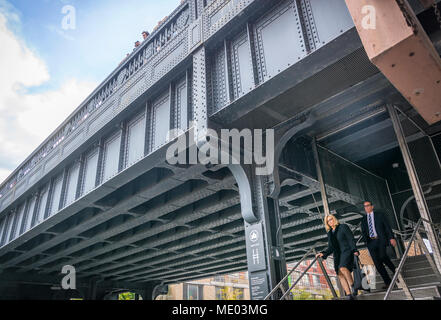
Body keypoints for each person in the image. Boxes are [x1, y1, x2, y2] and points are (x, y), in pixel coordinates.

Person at [317, 214, 359, 300]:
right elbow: (331, 247)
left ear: (334, 219)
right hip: (337, 255)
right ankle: (348, 294)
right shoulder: (330, 233)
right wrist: (323, 253)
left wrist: (354, 250)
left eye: (331, 219)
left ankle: (353, 286)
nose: (330, 222)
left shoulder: (343, 227)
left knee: (343, 267)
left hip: (346, 251)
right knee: (339, 274)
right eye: (328, 221)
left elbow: (350, 238)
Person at [360, 200, 397, 289]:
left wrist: (391, 237)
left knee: (383, 256)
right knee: (377, 263)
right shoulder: (363, 219)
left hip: (381, 239)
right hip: (371, 242)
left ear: (372, 206)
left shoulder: (379, 215)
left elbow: (387, 227)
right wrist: (366, 242)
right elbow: (364, 231)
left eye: (368, 205)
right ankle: (388, 282)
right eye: (365, 206)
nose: (367, 207)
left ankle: (395, 271)